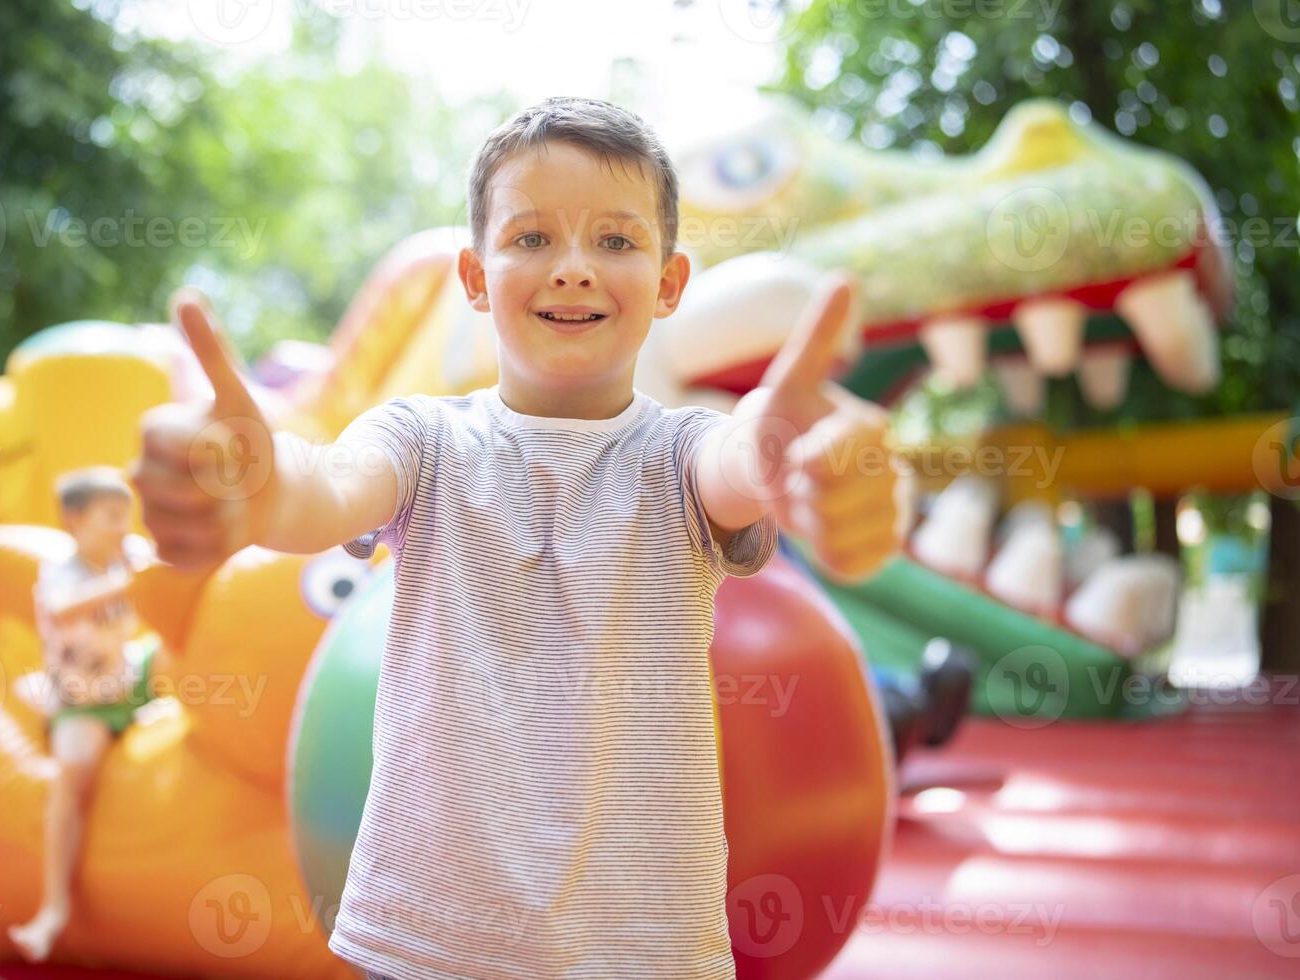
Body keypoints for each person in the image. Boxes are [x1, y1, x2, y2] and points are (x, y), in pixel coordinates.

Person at [132, 96, 902, 979]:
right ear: (473, 275)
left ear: (669, 283)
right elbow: (322, 489)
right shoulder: (419, 440)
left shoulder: (681, 454)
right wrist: (257, 483)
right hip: (429, 946)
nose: (573, 268)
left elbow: (741, 460)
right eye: (532, 238)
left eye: (615, 241)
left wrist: (781, 451)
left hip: (642, 948)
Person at [8, 466, 159, 963]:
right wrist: (128, 581)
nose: (122, 528)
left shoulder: (128, 558)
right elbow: (62, 610)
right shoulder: (63, 572)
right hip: (84, 701)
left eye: (126, 517)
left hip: (130, 681)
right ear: (74, 521)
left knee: (170, 660)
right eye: (111, 517)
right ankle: (53, 906)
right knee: (73, 770)